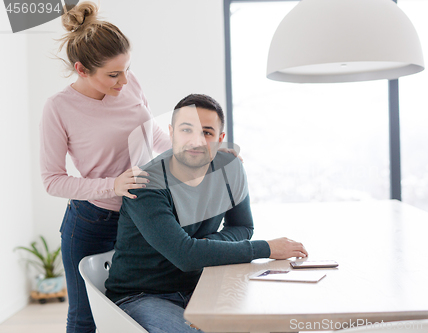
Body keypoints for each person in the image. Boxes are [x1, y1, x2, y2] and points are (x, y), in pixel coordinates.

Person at [39, 3, 237, 332]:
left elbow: (152, 134)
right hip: (93, 222)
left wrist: (204, 152)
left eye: (127, 69)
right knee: (85, 317)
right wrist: (111, 185)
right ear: (81, 69)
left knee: (141, 303)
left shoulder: (129, 84)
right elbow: (52, 180)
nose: (124, 80)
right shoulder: (59, 108)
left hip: (143, 215)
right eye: (114, 75)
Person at [105, 94, 308, 333]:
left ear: (220, 139)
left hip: (203, 287)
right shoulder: (146, 184)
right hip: (141, 295)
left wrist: (202, 245)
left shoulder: (229, 169)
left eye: (207, 133)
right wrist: (267, 248)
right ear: (171, 133)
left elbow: (243, 227)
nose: (196, 141)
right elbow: (185, 256)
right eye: (186, 130)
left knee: (274, 323)